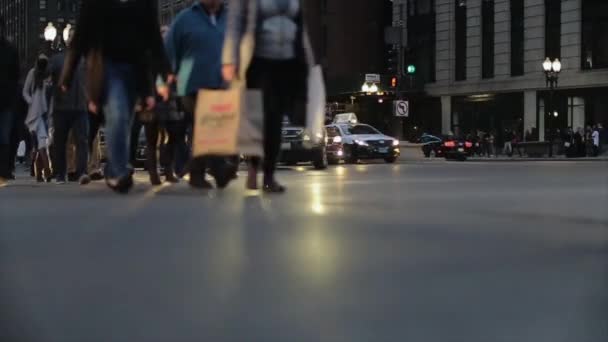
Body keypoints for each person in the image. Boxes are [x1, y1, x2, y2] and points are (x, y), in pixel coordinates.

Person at [61, 0, 171, 193]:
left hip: (135, 69)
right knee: (118, 113)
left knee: (124, 120)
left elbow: (153, 40)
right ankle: (118, 172)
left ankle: (113, 166)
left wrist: (166, 72)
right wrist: (68, 75)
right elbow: (80, 37)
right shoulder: (95, 5)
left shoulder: (144, 5)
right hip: (106, 67)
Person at [222, 0, 314, 192]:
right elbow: (235, 24)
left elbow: (301, 27)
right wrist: (230, 59)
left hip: (288, 63)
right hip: (258, 62)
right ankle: (254, 168)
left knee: (275, 119)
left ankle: (269, 175)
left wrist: (308, 61)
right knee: (257, 117)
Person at [158, 0, 233, 189]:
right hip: (191, 84)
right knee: (206, 124)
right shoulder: (185, 19)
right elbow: (168, 51)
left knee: (208, 129)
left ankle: (200, 171)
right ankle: (217, 168)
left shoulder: (230, 19)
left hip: (223, 85)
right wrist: (166, 82)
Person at [49, 26, 90, 185]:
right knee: (60, 142)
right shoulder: (57, 59)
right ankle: (60, 174)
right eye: (71, 37)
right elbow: (45, 73)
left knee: (82, 141)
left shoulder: (86, 59)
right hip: (61, 107)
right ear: (67, 40)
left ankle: (82, 173)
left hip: (80, 107)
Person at [23, 55, 52, 182]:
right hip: (35, 115)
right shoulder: (32, 74)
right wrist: (32, 102)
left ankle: (39, 172)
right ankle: (46, 171)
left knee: (41, 144)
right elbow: (25, 91)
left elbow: (51, 96)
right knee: (41, 144)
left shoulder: (49, 75)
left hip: (46, 114)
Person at [0, 17, 19, 186]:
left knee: (4, 138)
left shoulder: (11, 50)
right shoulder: (11, 49)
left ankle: (3, 171)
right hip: (7, 101)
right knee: (4, 138)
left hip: (6, 101)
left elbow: (16, 77)